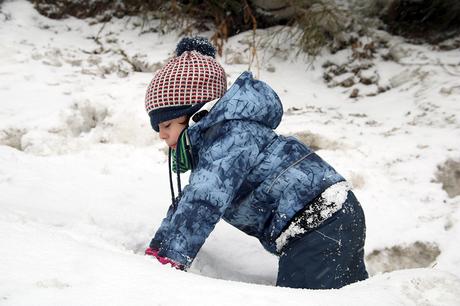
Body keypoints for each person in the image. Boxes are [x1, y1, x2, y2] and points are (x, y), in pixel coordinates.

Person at [143, 36, 368, 289]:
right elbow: (187, 203)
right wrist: (156, 251)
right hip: (332, 215)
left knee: (307, 301)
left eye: (167, 125)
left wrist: (167, 262)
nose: (162, 135)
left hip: (320, 222)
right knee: (349, 295)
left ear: (198, 115)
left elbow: (202, 202)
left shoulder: (231, 137)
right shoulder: (221, 140)